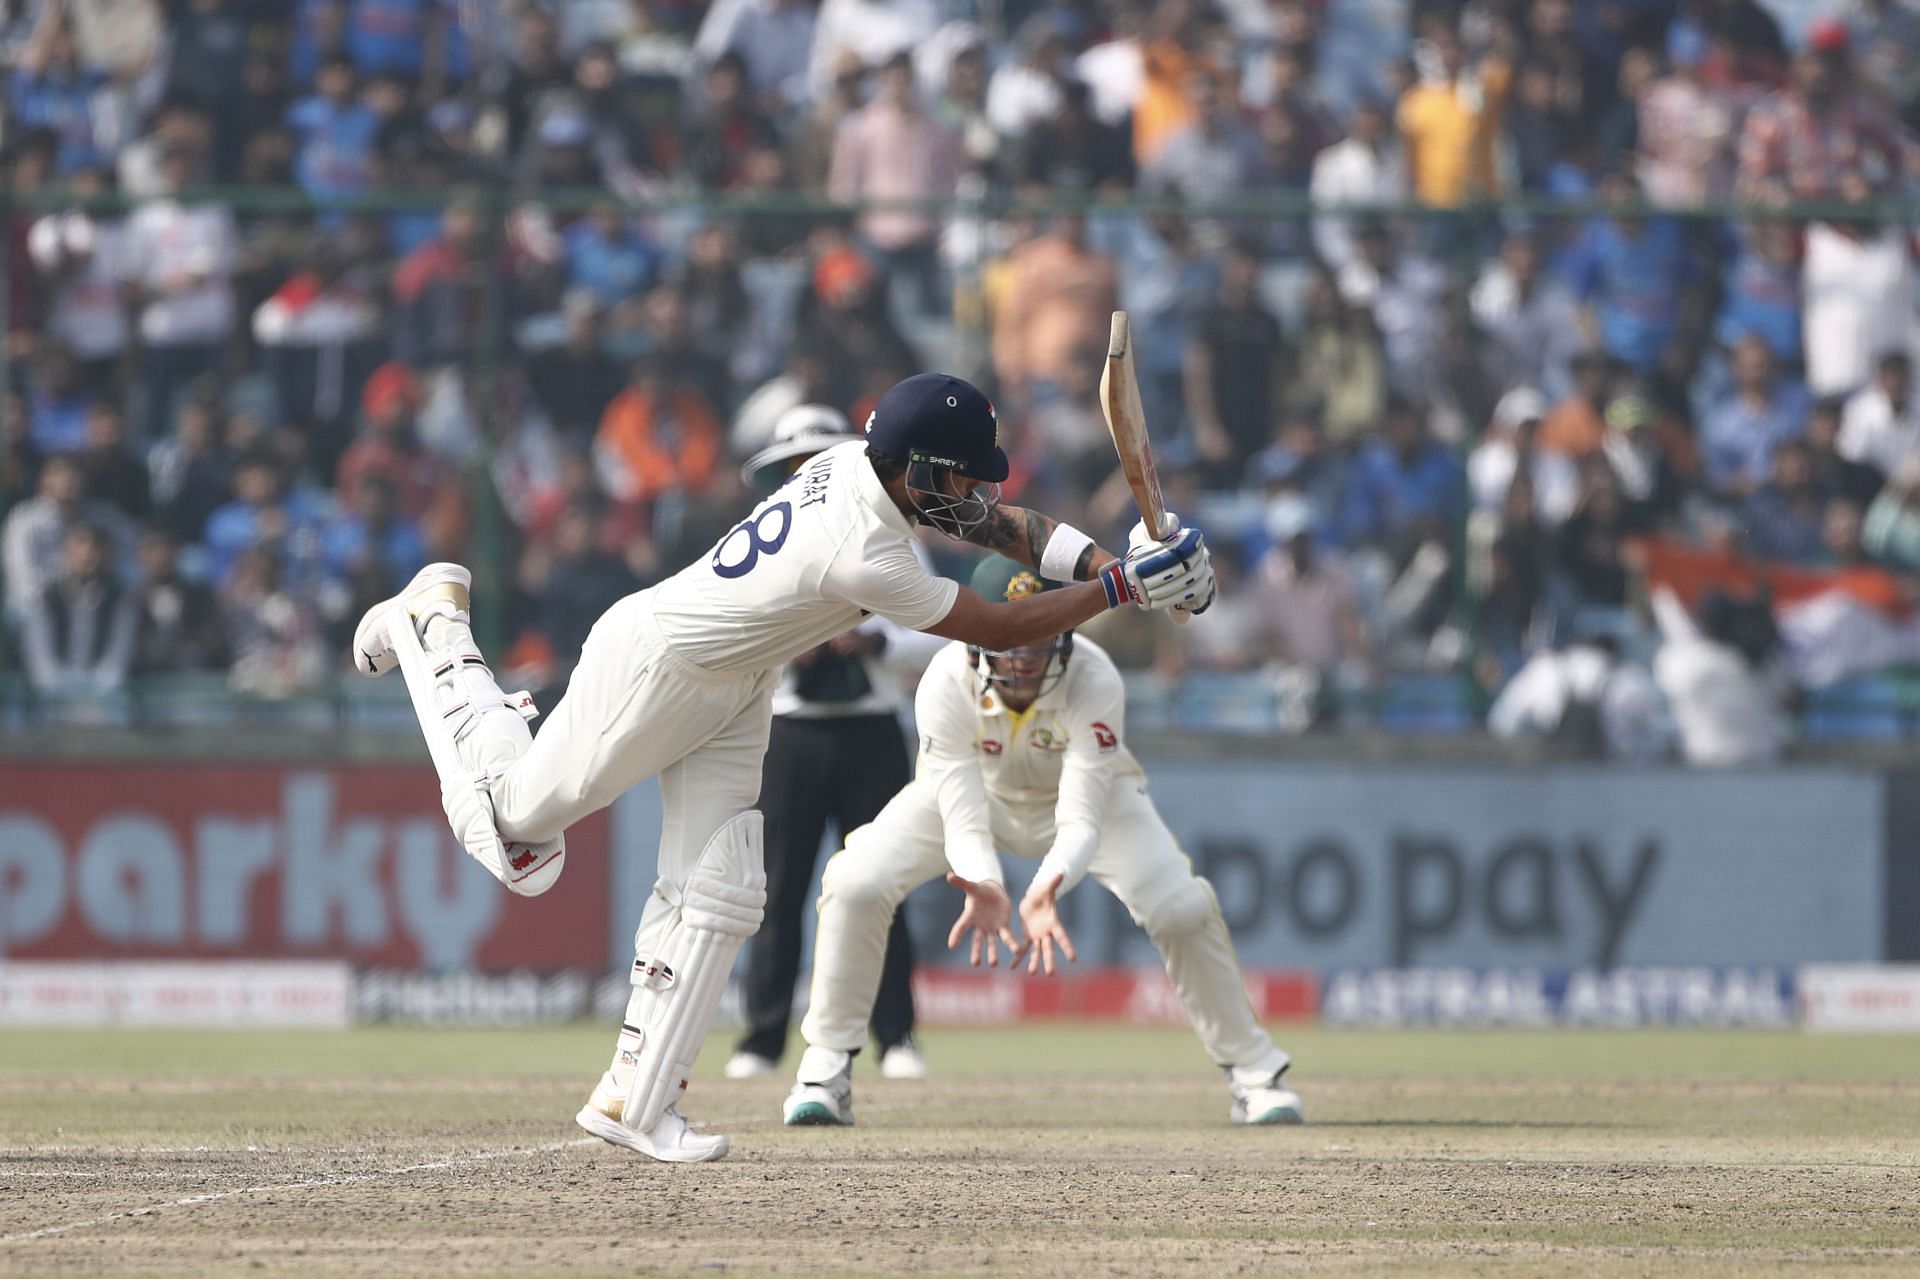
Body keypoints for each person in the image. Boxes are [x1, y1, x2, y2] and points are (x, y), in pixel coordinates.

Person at [348, 373, 1215, 1163]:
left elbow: (1000, 525)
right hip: (661, 665)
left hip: (737, 684)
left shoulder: (858, 461)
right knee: (515, 835)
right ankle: (435, 626)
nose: (973, 492)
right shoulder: (865, 552)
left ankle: (634, 1097)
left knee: (721, 890)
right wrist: (1128, 589)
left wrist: (1119, 565)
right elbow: (997, 627)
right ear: (916, 469)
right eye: (959, 476)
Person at [781, 555, 1301, 1130]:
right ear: (977, 636)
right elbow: (962, 815)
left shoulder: (1095, 676)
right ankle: (826, 1068)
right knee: (854, 880)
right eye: (1009, 639)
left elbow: (1081, 819)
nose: (1025, 657)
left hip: (1093, 803)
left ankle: (1254, 1074)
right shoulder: (943, 681)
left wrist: (1046, 887)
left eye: (1040, 637)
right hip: (967, 795)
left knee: (1182, 907)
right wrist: (984, 882)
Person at [725, 406, 941, 1083]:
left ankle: (895, 1034)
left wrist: (873, 637)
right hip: (789, 727)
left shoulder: (891, 529)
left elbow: (937, 619)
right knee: (779, 888)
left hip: (871, 725)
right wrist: (796, 643)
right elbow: (734, 620)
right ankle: (762, 1039)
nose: (809, 471)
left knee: (883, 884)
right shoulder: (762, 534)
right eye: (798, 462)